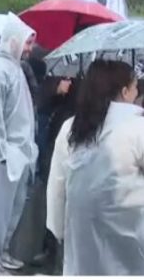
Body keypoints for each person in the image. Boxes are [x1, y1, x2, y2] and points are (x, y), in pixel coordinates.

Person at [46, 60, 144, 276]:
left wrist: (59, 229)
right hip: (132, 243)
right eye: (136, 87)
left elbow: (57, 187)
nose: (138, 93)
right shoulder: (138, 127)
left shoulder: (72, 127)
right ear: (125, 91)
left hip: (81, 241)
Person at [0, 14, 38, 276]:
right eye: (27, 42)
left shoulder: (15, 68)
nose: (30, 48)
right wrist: (0, 153)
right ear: (14, 40)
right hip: (5, 156)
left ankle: (0, 253)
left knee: (12, 210)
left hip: (19, 153)